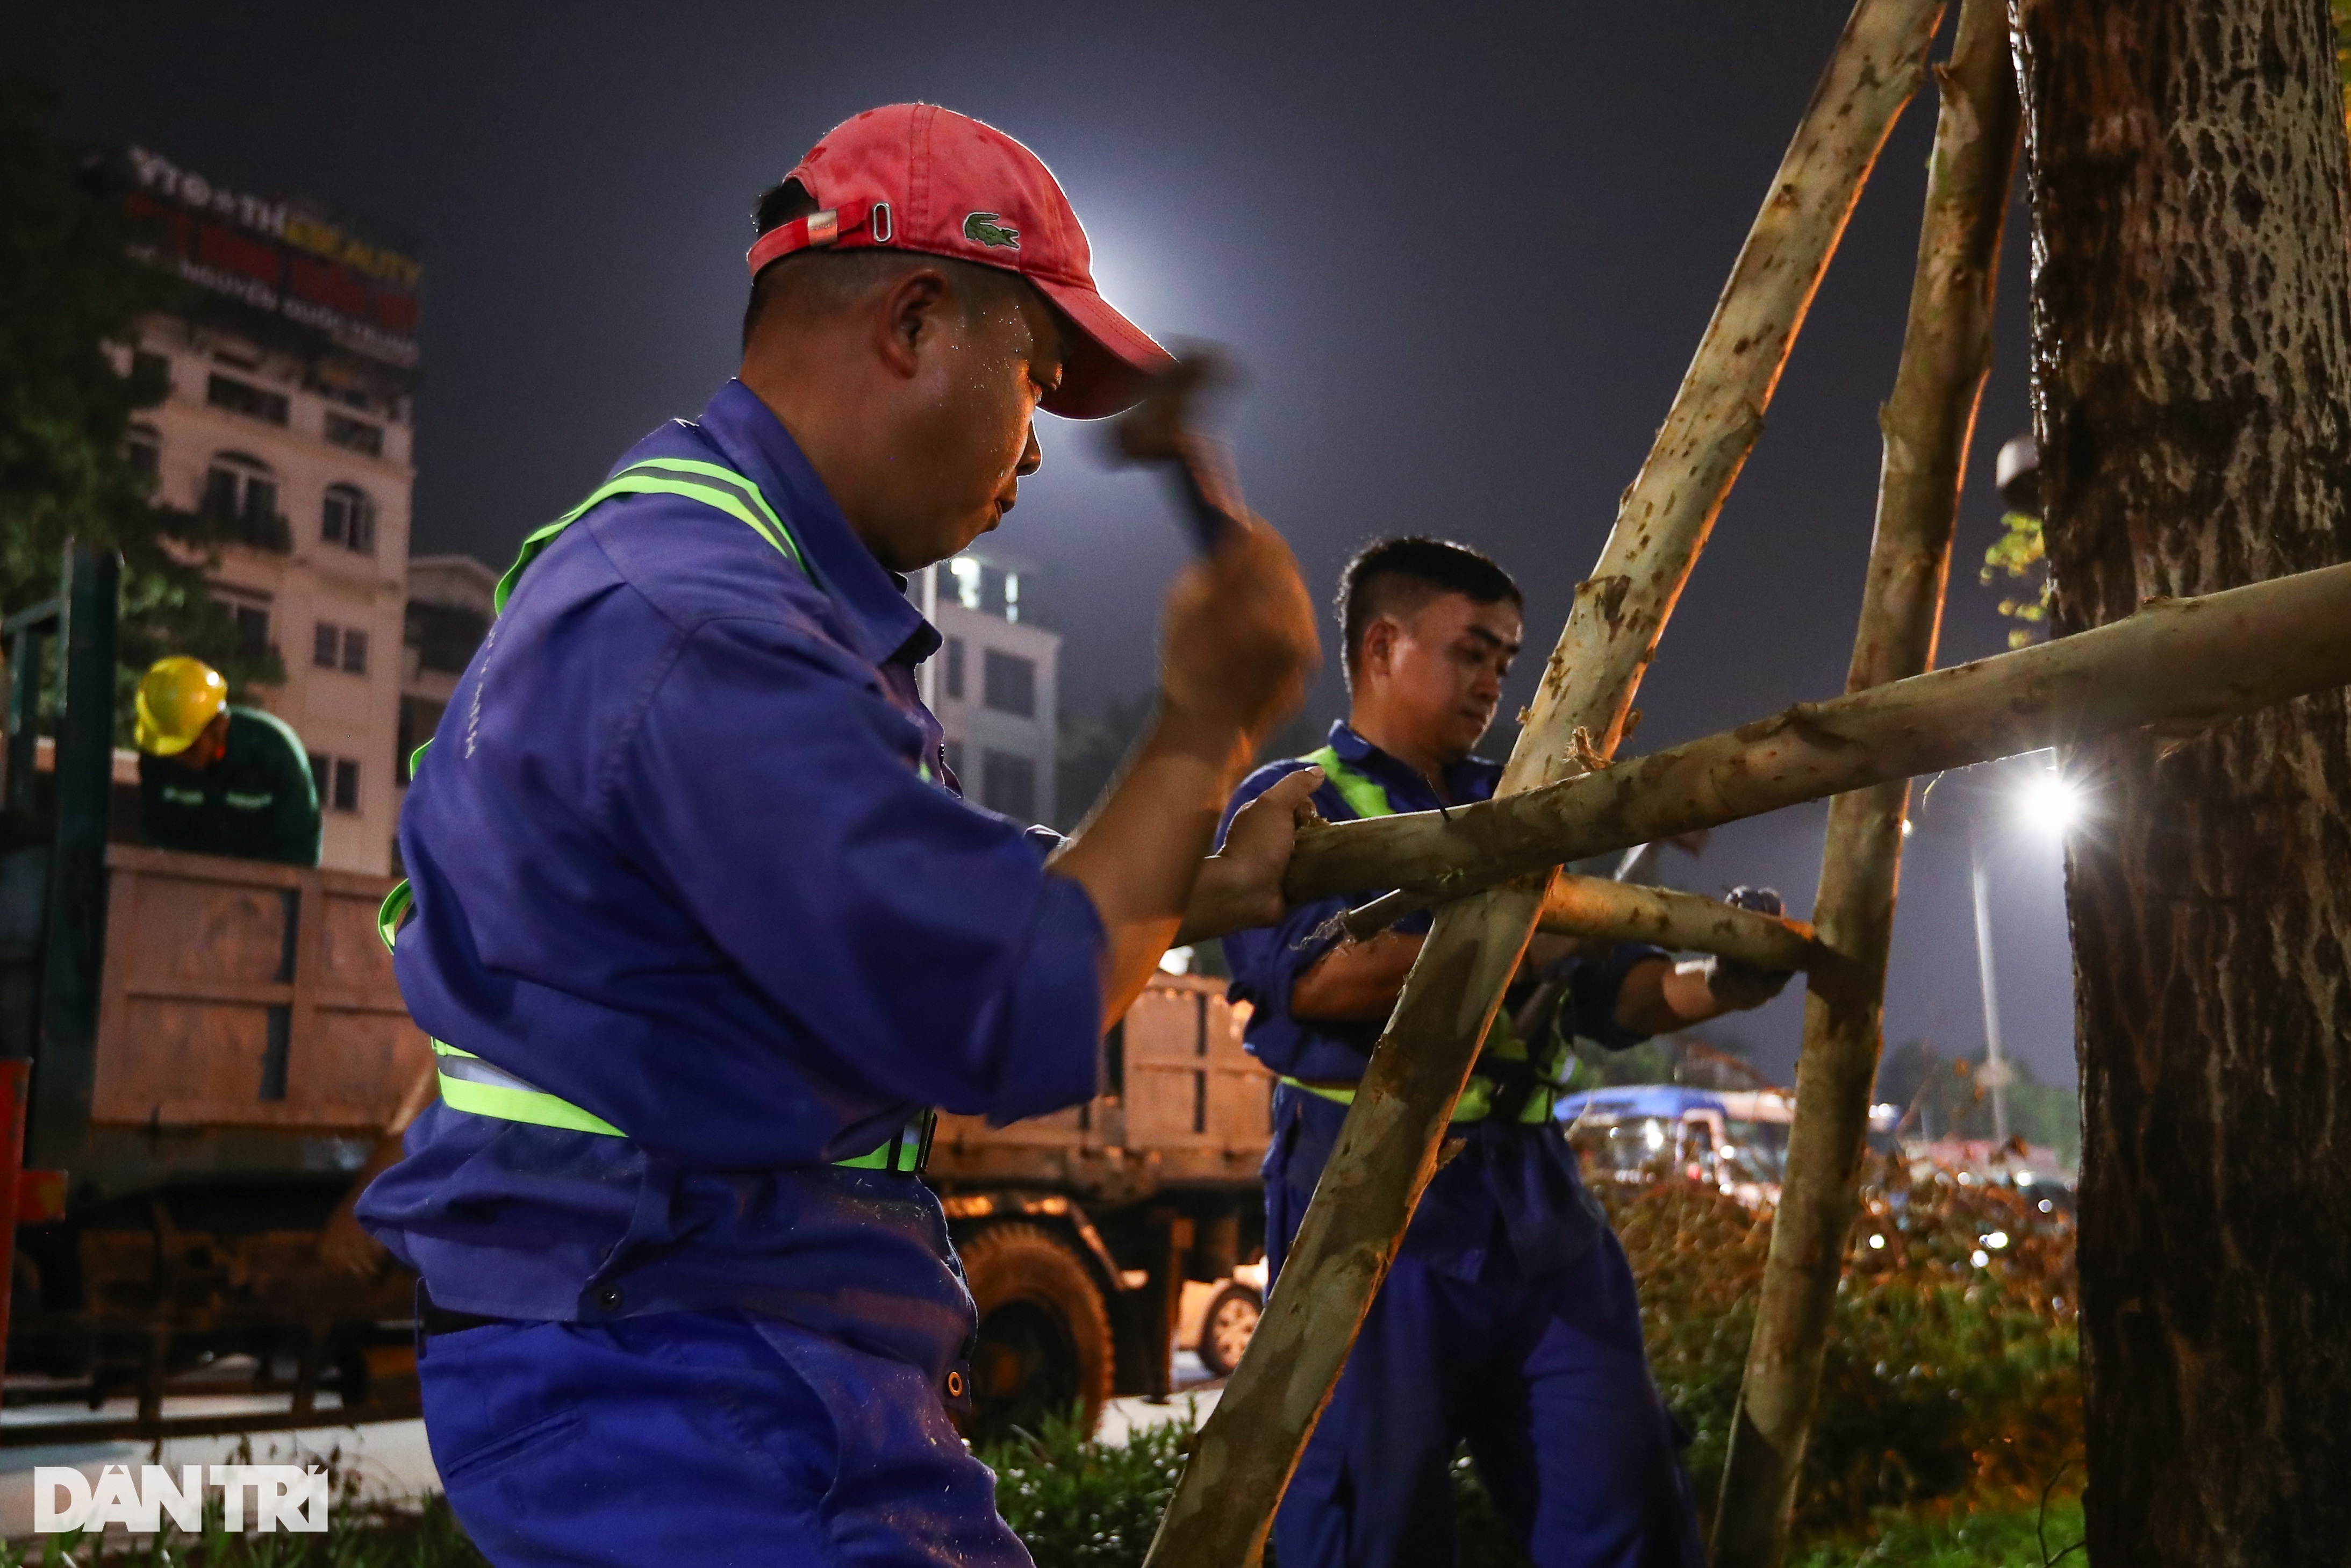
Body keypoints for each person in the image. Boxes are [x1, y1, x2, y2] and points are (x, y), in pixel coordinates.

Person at [354, 104, 1321, 1566]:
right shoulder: (700, 625)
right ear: (917, 319)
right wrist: (1205, 720)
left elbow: (854, 893)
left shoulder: (695, 575)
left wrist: (1191, 862)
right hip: (686, 1373)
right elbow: (1001, 998)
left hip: (682, 1341)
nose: (1037, 454)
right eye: (1034, 377)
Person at [1220, 536, 1791, 1568]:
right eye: (1470, 651)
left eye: (1505, 658)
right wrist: (1528, 933)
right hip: (1364, 1195)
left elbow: (1614, 991)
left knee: (1620, 1493)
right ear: (1382, 645)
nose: (1493, 681)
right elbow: (1311, 980)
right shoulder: (1295, 802)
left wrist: (1723, 979)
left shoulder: (1530, 804)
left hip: (1534, 1205)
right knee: (1369, 1525)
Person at [133, 655, 320, 867]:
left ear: (219, 725)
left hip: (261, 891)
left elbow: (300, 851)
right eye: (170, 749)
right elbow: (155, 837)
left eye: (189, 747)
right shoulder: (156, 757)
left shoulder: (275, 753)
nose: (179, 758)